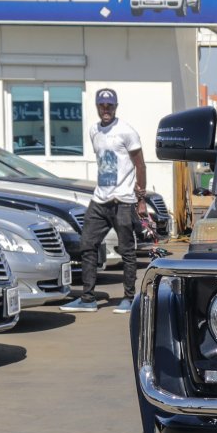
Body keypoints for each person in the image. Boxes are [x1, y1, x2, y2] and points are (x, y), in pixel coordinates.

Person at [61, 88, 147, 314]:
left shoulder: (127, 132)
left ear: (116, 107)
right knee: (87, 245)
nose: (106, 109)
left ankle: (129, 298)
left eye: (110, 106)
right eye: (102, 105)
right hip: (100, 200)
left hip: (123, 200)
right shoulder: (94, 131)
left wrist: (141, 199)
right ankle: (87, 298)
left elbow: (140, 164)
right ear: (97, 107)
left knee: (126, 250)